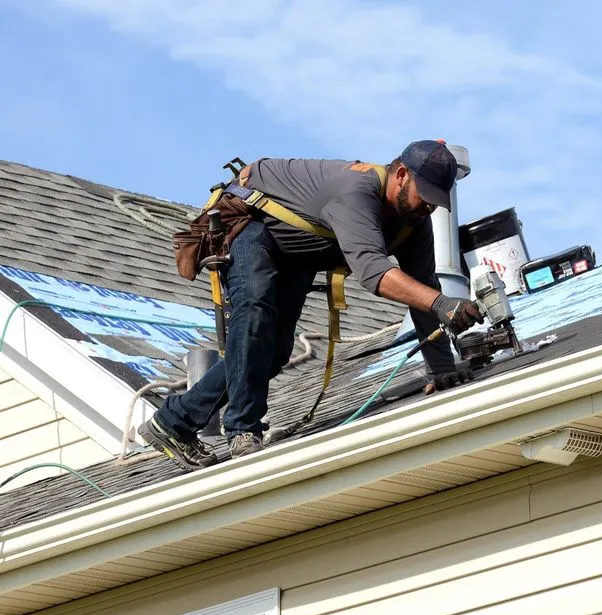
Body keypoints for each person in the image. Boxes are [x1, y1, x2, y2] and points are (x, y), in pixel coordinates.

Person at [137, 140, 484, 470]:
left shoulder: (413, 225)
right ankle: (243, 430)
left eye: (437, 201)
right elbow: (374, 272)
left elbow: (422, 291)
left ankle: (173, 421)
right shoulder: (356, 192)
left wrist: (442, 369)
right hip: (253, 224)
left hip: (298, 251)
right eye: (425, 195)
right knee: (255, 315)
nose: (429, 206)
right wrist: (443, 304)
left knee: (272, 354)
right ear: (402, 174)